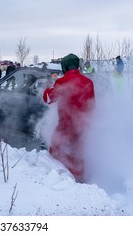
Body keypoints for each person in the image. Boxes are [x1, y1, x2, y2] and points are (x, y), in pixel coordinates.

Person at [43, 53, 95, 182]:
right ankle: (80, 178)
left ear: (65, 66)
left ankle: (63, 178)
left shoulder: (62, 82)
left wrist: (47, 87)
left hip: (66, 125)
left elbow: (49, 99)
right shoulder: (88, 82)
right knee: (79, 152)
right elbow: (92, 105)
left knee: (56, 150)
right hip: (83, 125)